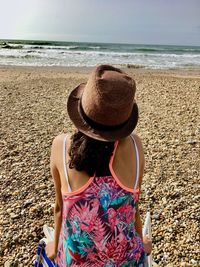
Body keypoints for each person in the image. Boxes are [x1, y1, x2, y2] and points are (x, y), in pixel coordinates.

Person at [46, 64, 152, 266]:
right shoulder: (136, 147)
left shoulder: (60, 146)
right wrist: (140, 240)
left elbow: (59, 209)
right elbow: (133, 206)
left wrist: (56, 247)